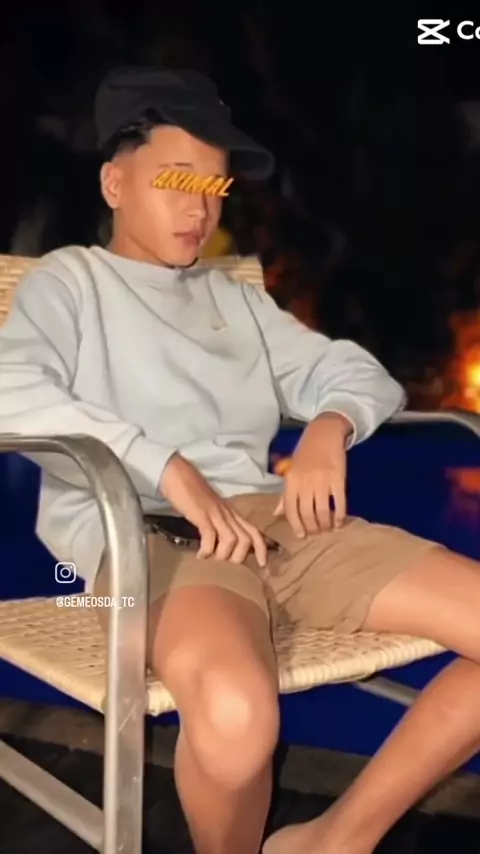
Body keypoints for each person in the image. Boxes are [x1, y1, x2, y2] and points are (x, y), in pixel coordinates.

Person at [0, 66, 480, 854]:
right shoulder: (71, 283)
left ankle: (334, 839)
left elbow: (356, 374)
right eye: (177, 180)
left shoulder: (235, 298)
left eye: (214, 186)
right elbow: (9, 386)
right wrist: (164, 465)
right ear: (116, 183)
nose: (200, 208)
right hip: (151, 533)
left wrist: (328, 427)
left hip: (278, 525)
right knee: (234, 714)